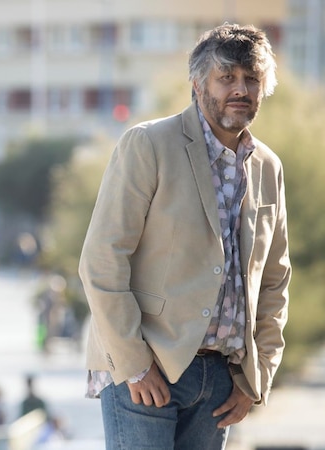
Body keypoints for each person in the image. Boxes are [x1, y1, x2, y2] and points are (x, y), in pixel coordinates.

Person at [78, 23, 291, 450]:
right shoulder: (148, 144)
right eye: (226, 77)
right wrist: (135, 365)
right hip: (145, 366)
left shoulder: (268, 166)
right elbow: (101, 260)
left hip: (222, 381)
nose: (241, 89)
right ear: (198, 85)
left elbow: (274, 280)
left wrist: (255, 378)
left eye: (251, 79)